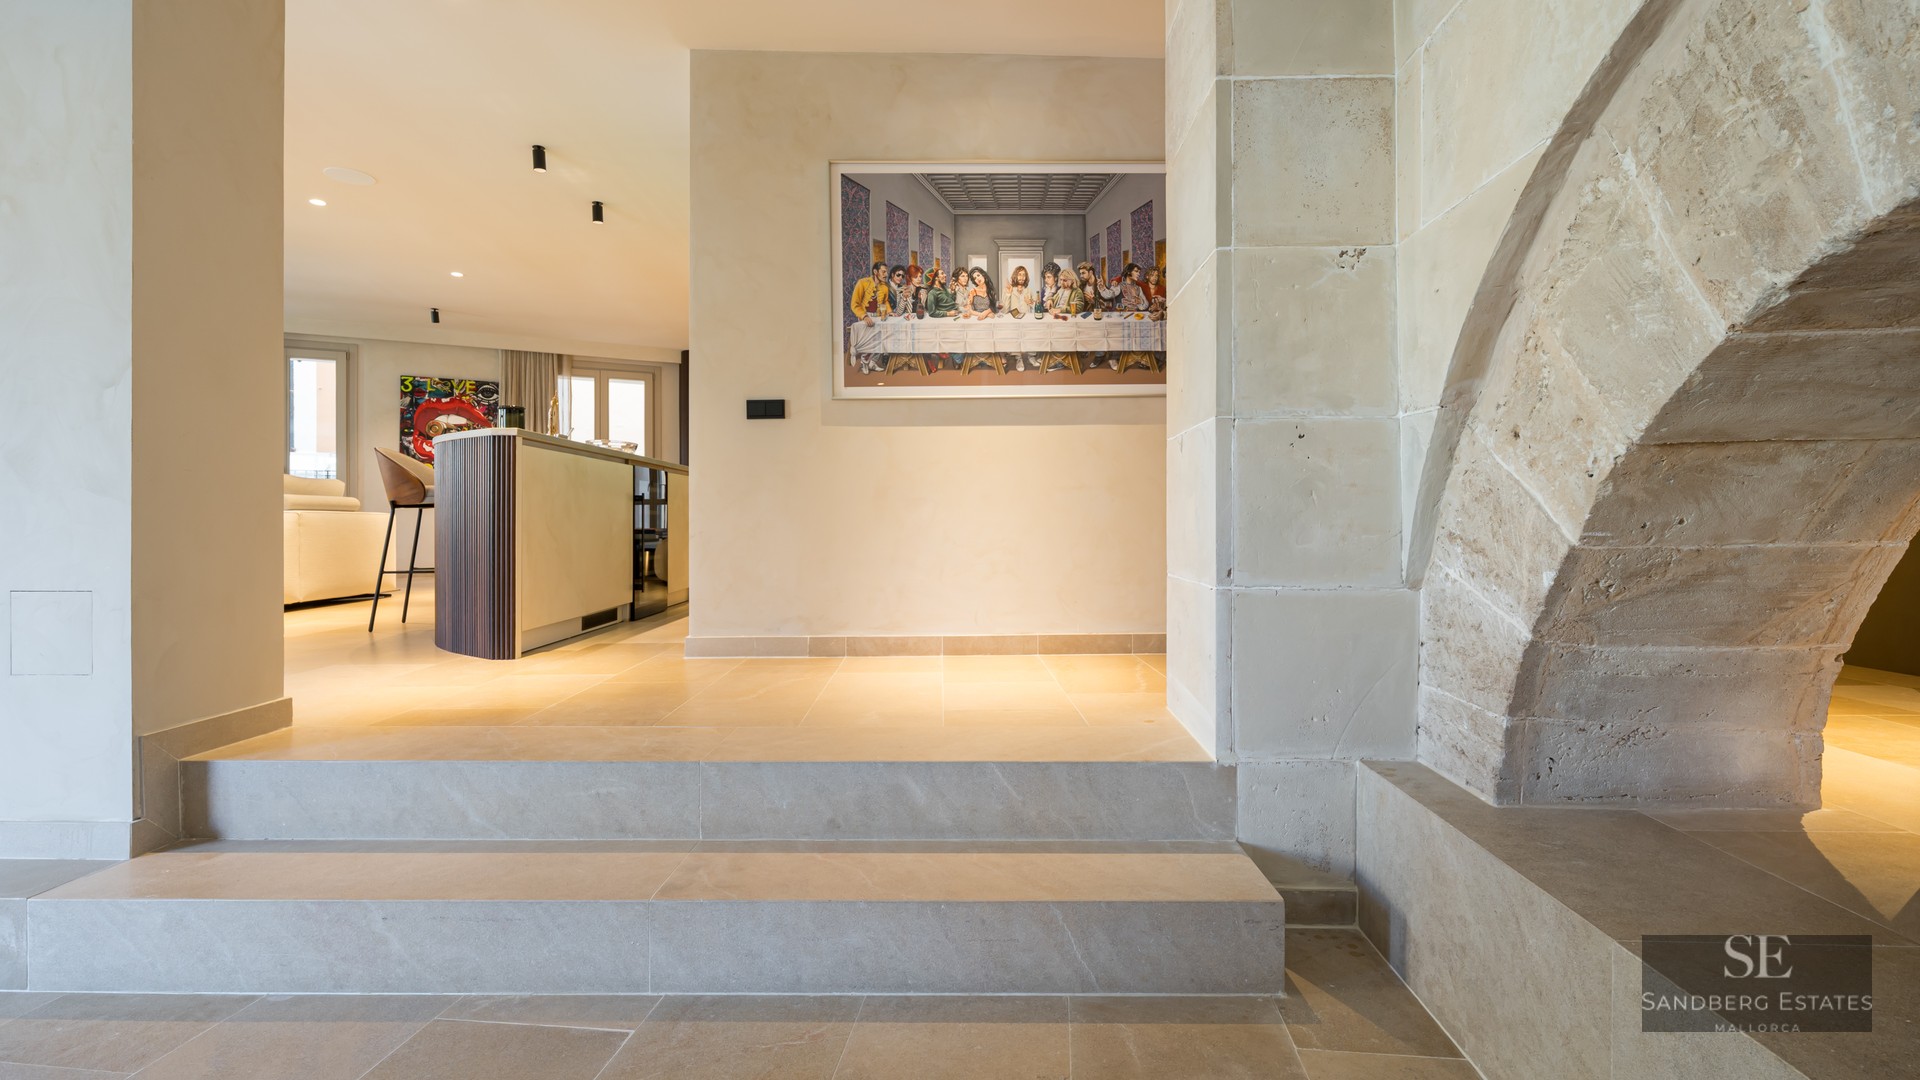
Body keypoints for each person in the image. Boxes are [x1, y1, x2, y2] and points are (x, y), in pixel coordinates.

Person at [849, 260, 891, 325]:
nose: (886, 275)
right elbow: (855, 304)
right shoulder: (862, 283)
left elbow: (885, 301)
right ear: (875, 272)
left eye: (886, 272)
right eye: (883, 272)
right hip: (864, 318)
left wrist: (889, 312)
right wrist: (864, 316)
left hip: (879, 318)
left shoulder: (885, 287)